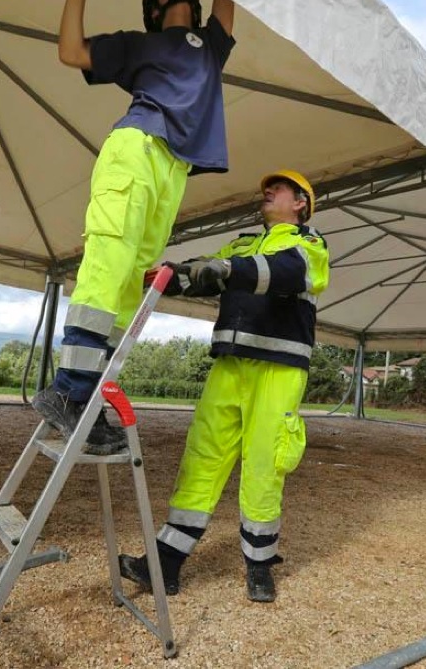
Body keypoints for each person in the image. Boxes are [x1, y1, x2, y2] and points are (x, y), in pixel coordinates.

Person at [31, 0, 236, 456]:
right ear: (152, 8)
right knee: (110, 260)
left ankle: (90, 399)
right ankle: (68, 392)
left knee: (131, 286)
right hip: (137, 146)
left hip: (175, 169)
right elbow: (70, 52)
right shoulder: (138, 44)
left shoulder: (210, 43)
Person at [117, 170, 328, 603]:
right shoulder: (241, 244)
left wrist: (228, 269)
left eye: (279, 188)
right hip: (228, 367)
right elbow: (202, 274)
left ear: (301, 204)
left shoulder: (309, 245)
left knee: (264, 467)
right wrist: (159, 274)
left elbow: (286, 273)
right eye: (265, 186)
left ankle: (260, 566)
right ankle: (166, 565)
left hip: (278, 369)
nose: (266, 191)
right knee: (201, 460)